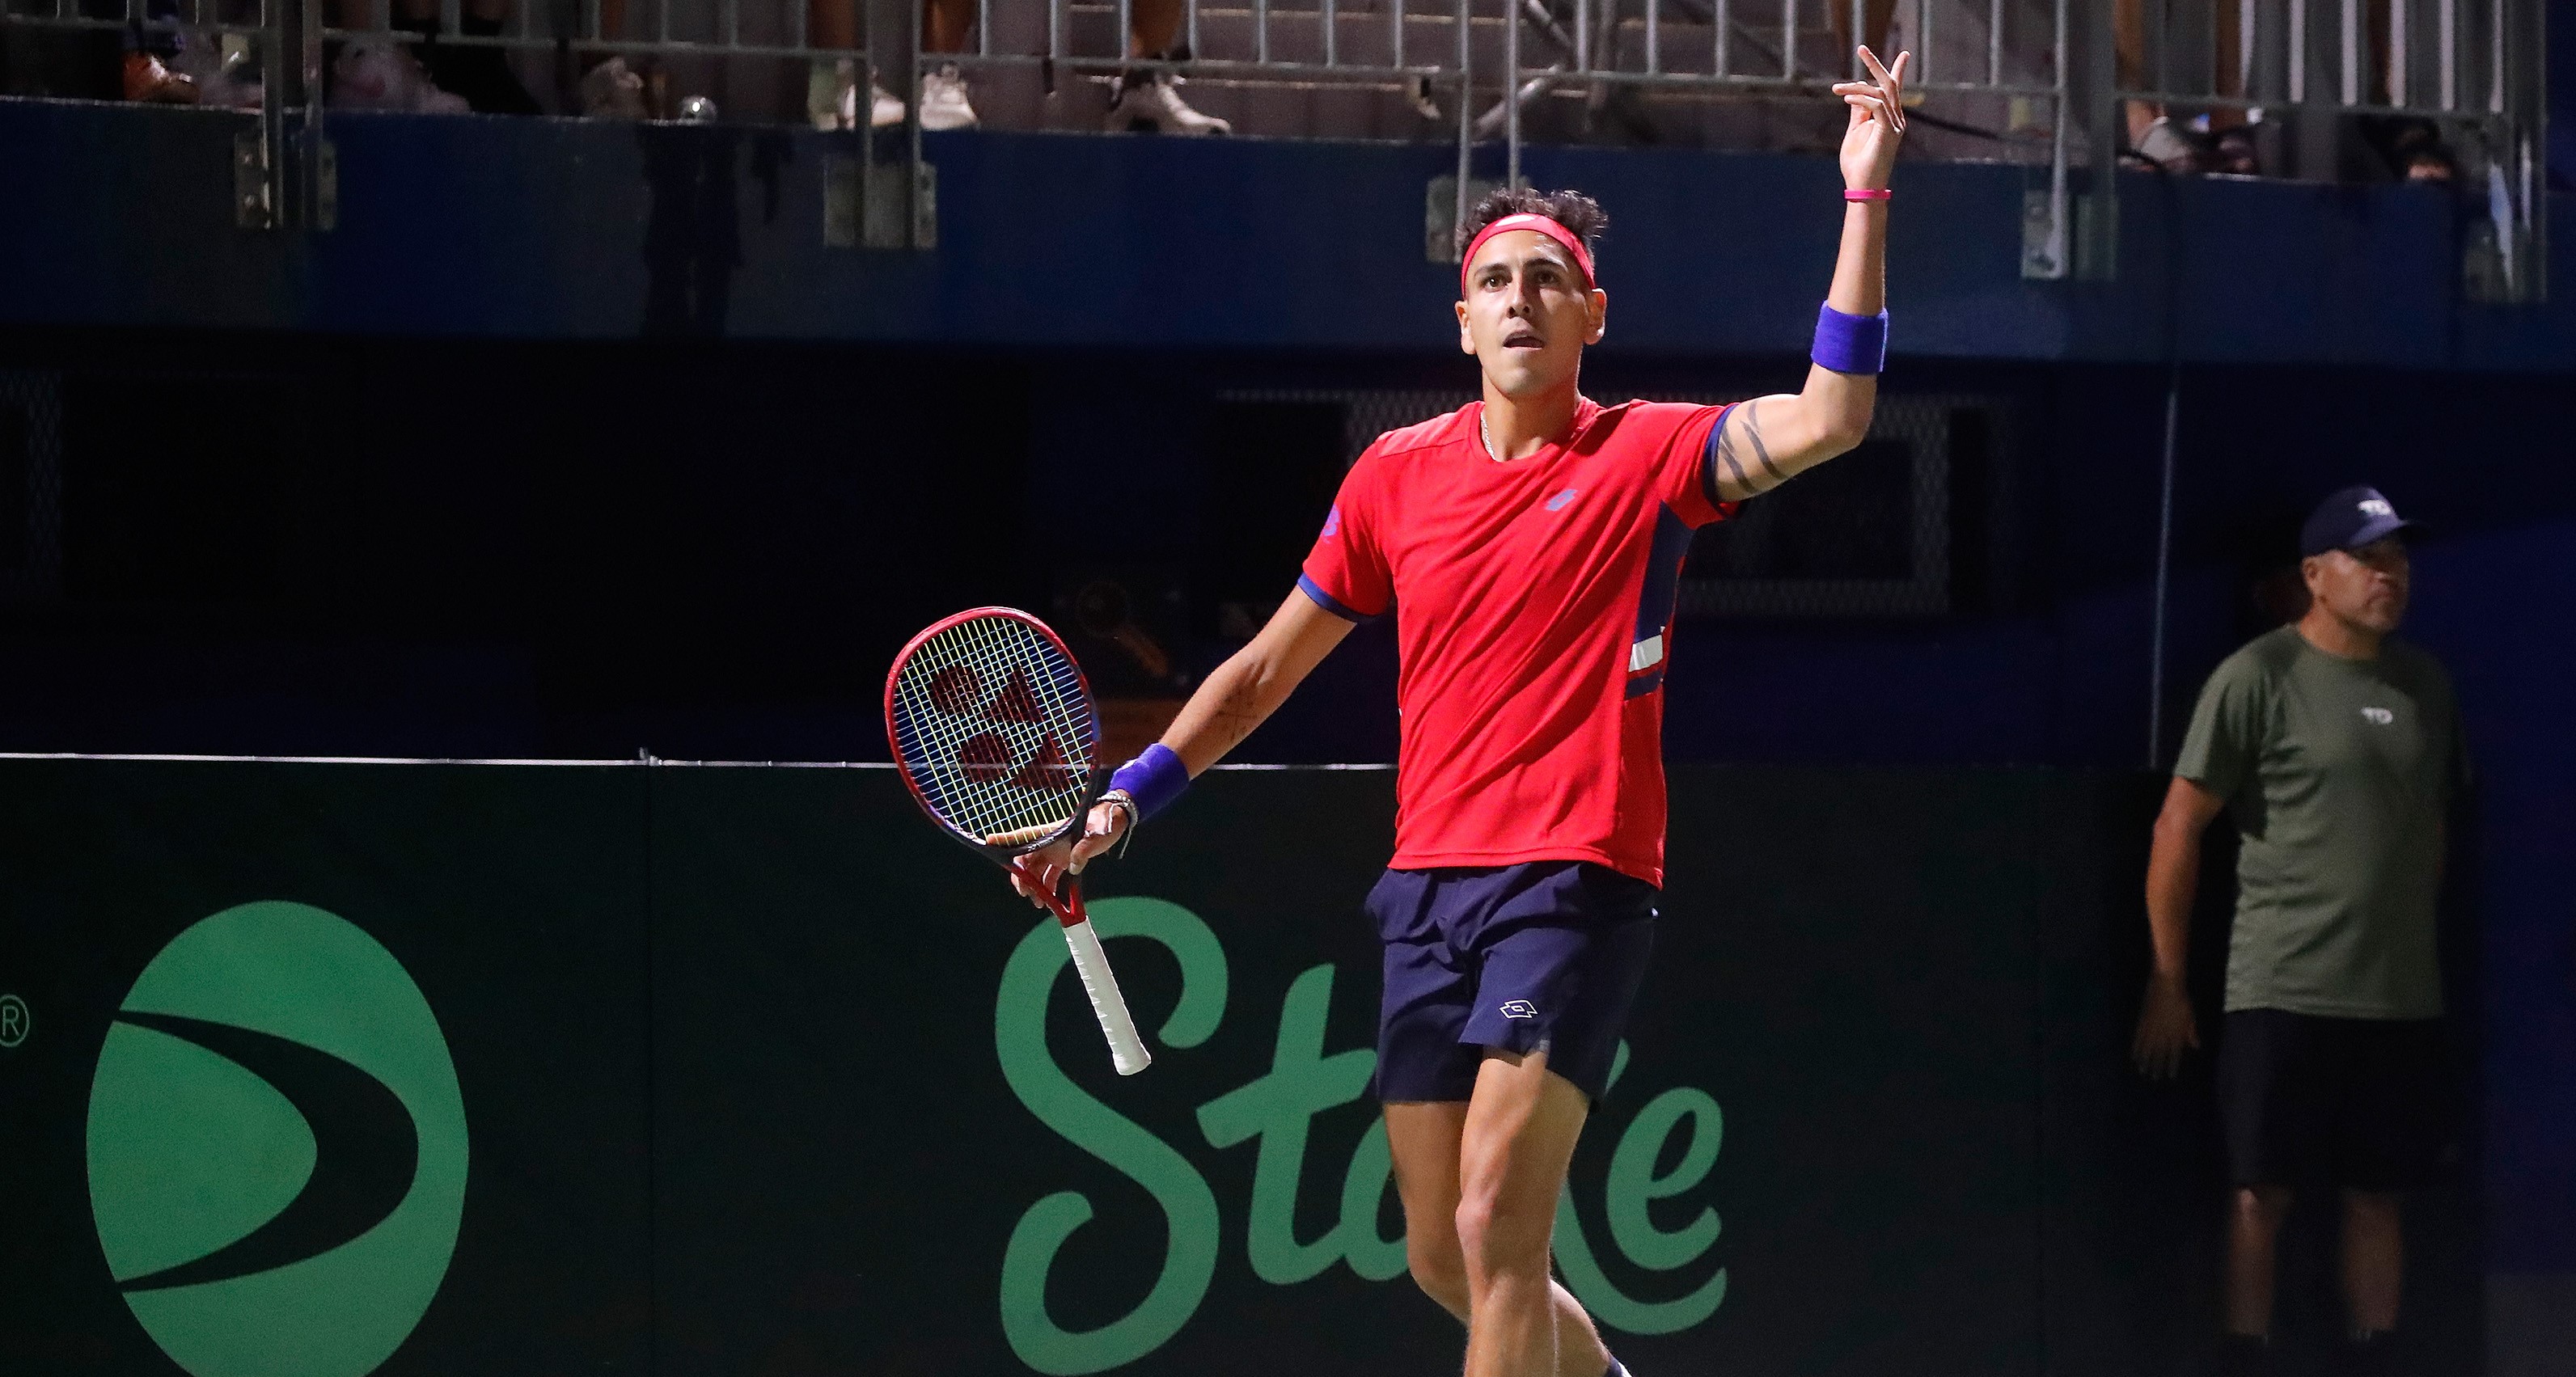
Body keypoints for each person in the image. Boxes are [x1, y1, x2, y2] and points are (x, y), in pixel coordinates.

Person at [1009, 47, 1910, 1377]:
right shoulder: (1393, 477)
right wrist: (1127, 796)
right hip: (1427, 887)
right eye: (1495, 280)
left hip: (1575, 878)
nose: (1520, 300)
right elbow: (1262, 669)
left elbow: (1834, 416)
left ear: (1589, 315)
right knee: (1443, 1250)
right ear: (1463, 321)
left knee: (1500, 1221)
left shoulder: (1650, 458)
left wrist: (1864, 199)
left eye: (1547, 279)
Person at [2133, 486, 2468, 1376]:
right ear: (2315, 576)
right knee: (2258, 1192)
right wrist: (2168, 978)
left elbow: (2428, 824)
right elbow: (2177, 826)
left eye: (2397, 560)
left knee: (2377, 1194)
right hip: (2279, 985)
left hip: (2397, 998)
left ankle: (2374, 1355)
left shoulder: (2425, 686)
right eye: (2367, 559)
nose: (2387, 576)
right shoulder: (2256, 677)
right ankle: (2243, 1355)